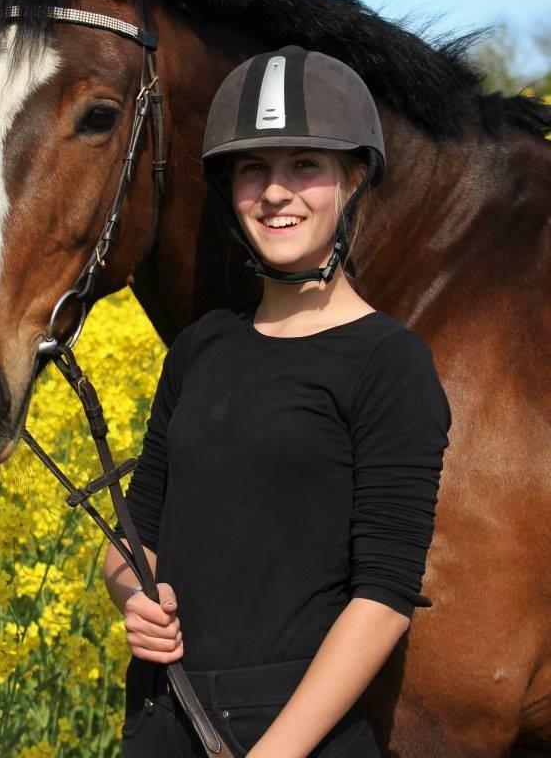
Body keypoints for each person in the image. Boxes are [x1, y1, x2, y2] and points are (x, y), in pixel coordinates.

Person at [102, 45, 451, 758]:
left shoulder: (392, 363)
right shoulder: (199, 349)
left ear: (353, 181)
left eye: (305, 167)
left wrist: (277, 752)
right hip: (164, 719)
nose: (275, 193)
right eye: (253, 170)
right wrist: (130, 595)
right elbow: (136, 534)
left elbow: (384, 598)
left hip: (298, 738)